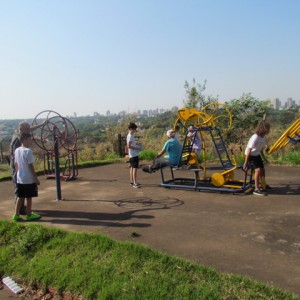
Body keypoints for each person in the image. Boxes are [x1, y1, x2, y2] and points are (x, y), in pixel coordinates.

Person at [10, 121, 45, 214]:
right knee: (22, 192)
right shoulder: (18, 140)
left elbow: (29, 130)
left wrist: (42, 124)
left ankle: (18, 211)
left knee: (21, 193)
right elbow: (23, 163)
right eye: (27, 129)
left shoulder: (21, 136)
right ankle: (22, 210)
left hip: (20, 170)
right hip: (18, 168)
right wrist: (35, 178)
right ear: (21, 130)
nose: (29, 131)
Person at [12, 133, 41, 221]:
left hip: (20, 178)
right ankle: (29, 214)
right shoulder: (28, 151)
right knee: (29, 198)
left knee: (20, 197)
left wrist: (18, 174)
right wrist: (36, 179)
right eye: (29, 139)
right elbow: (31, 166)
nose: (31, 141)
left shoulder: (17, 150)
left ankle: (16, 215)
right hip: (28, 179)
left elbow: (15, 164)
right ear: (24, 140)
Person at [243, 121, 271, 196]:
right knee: (258, 170)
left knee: (262, 169)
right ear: (263, 129)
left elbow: (260, 149)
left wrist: (264, 158)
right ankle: (256, 189)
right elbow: (249, 150)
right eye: (268, 128)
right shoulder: (255, 137)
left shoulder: (264, 137)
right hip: (251, 155)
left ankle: (263, 184)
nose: (269, 130)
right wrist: (245, 163)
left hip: (257, 154)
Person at [127, 122, 142, 188]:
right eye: (134, 129)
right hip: (133, 154)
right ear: (131, 129)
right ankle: (134, 183)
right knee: (135, 168)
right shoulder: (130, 136)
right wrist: (137, 148)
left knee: (132, 168)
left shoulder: (130, 135)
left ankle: (132, 181)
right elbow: (129, 146)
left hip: (132, 154)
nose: (135, 130)